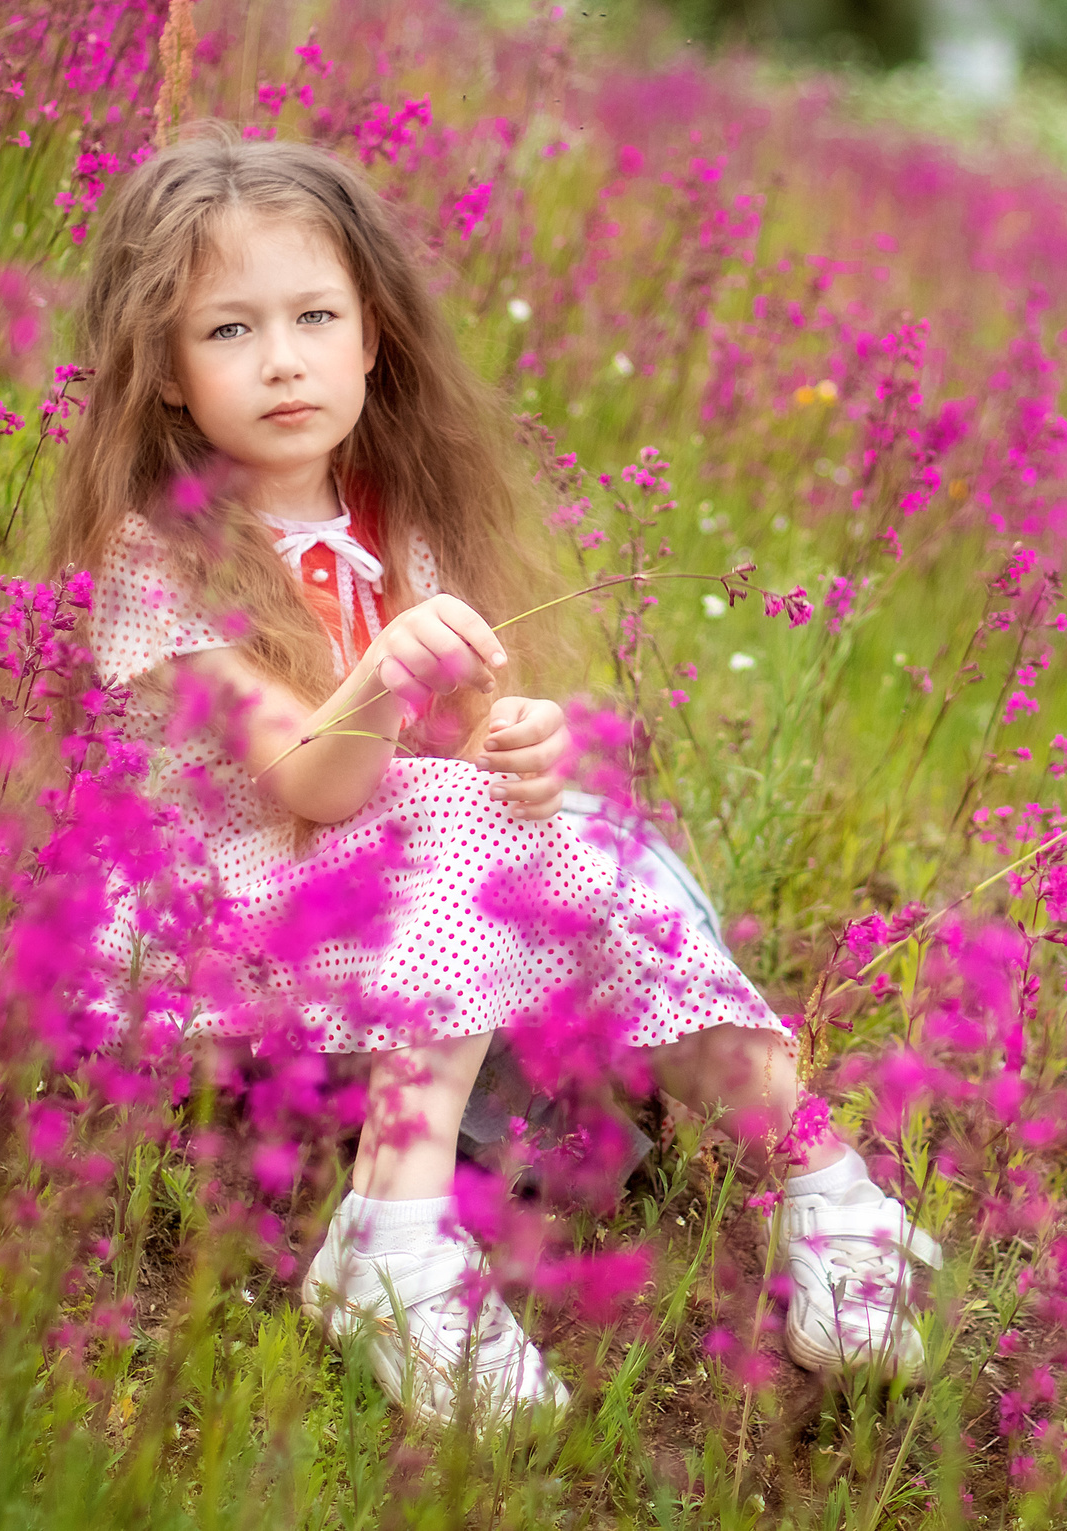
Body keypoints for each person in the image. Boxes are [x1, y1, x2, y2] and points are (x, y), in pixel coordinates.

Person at [48, 129, 936, 1431]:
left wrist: (521, 740)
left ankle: (822, 1181)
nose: (283, 358)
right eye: (229, 330)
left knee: (576, 831)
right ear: (168, 378)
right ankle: (392, 1238)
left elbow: (462, 753)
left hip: (402, 908)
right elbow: (309, 787)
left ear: (372, 338)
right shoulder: (159, 558)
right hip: (228, 909)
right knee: (477, 816)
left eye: (314, 316)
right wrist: (385, 682)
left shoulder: (394, 521)